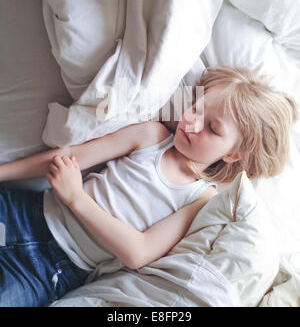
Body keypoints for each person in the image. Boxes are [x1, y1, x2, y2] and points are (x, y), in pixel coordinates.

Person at [0, 67, 298, 307]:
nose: (192, 123)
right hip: (27, 213)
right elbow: (68, 158)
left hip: (54, 269)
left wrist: (77, 198)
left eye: (212, 128)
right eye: (196, 108)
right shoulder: (152, 137)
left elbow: (138, 252)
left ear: (233, 154)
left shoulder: (201, 199)